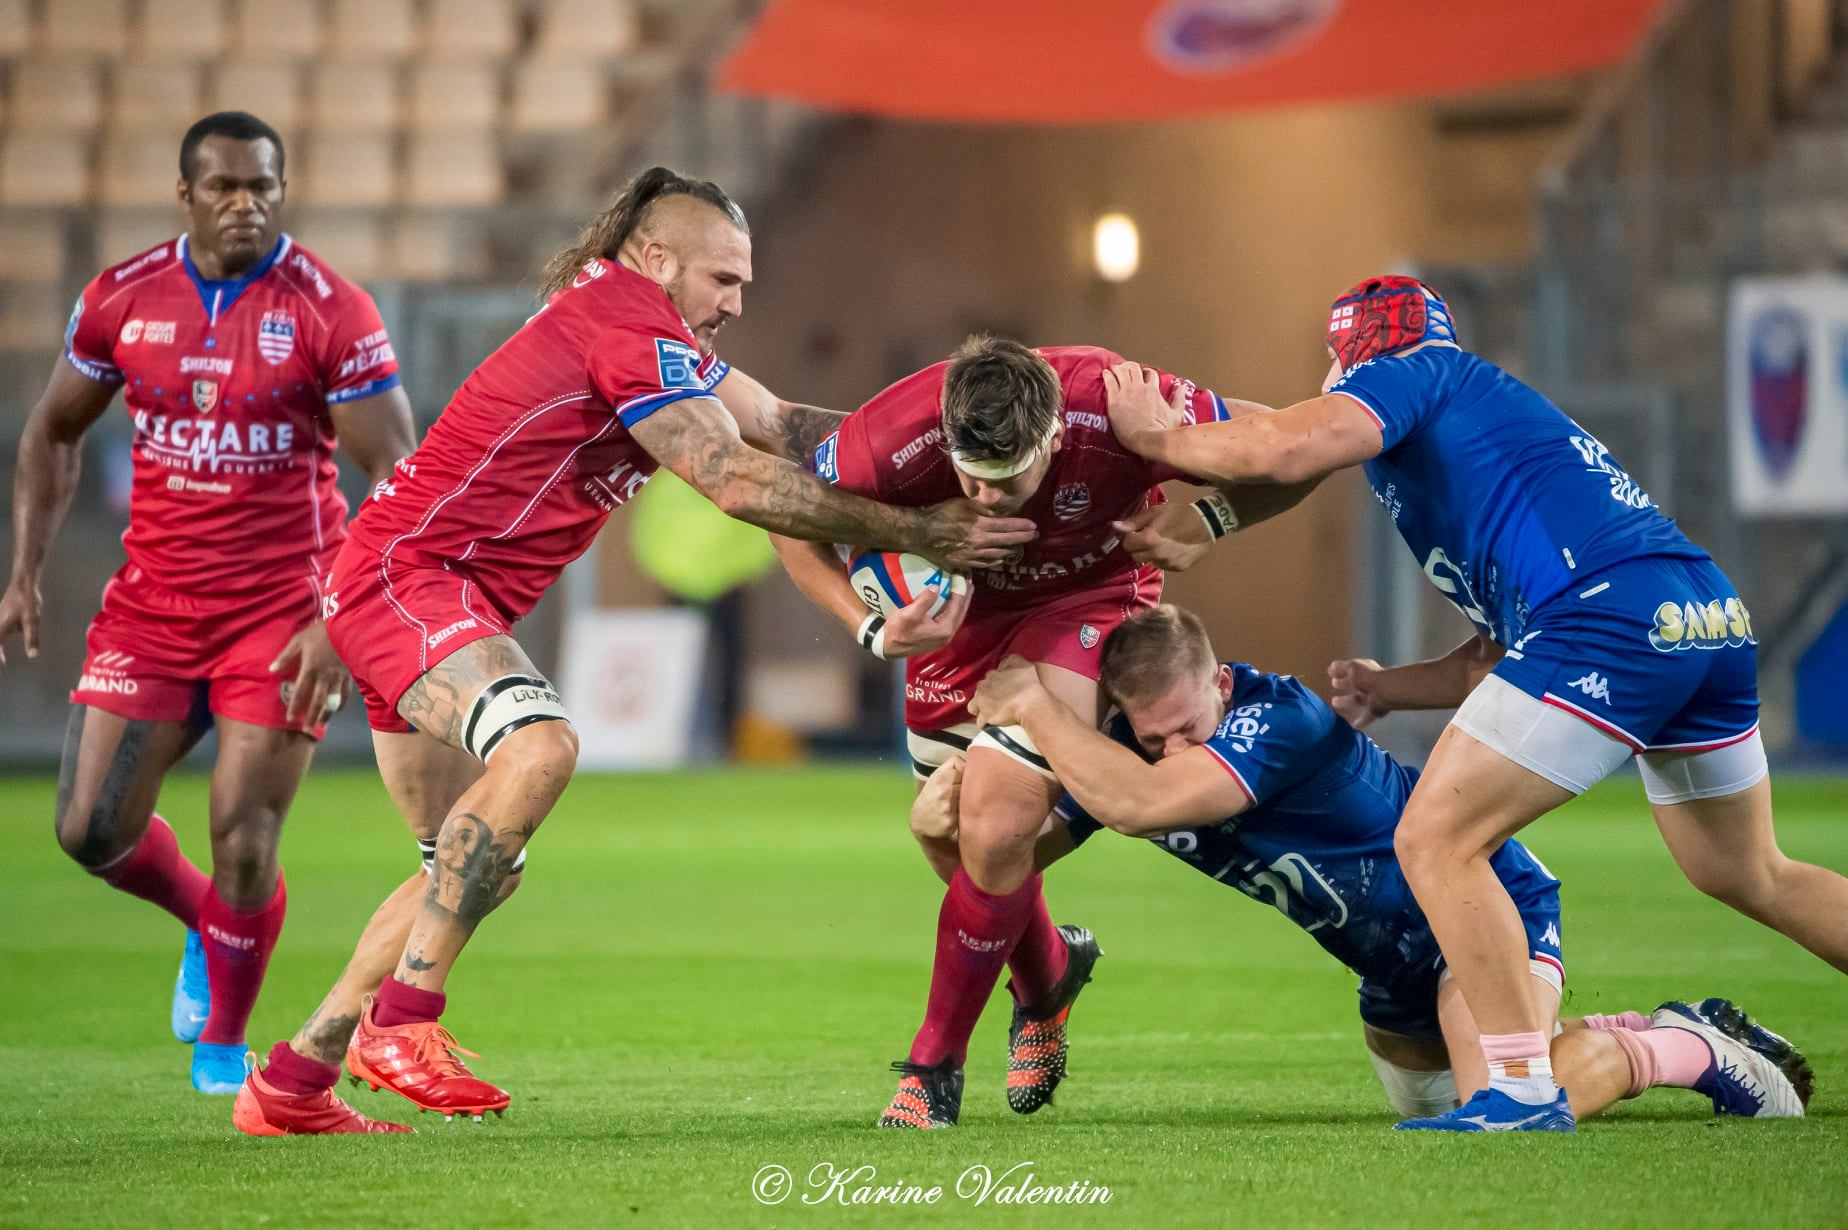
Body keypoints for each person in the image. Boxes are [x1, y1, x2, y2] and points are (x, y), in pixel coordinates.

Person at [233, 167, 1037, 1136]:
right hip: (412, 583)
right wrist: (922, 535)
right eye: (723, 280)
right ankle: (402, 1023)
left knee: (474, 859)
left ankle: (293, 1080)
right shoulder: (626, 328)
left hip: (421, 591)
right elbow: (735, 481)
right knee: (542, 749)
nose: (738, 303)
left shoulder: (645, 327)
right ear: (656, 261)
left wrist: (936, 447)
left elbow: (785, 427)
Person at [1101, 275, 1848, 1131]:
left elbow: (1282, 450)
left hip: (1610, 615)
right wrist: (1391, 687)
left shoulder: (1408, 374)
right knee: (1748, 871)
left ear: (1346, 358)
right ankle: (1621, 1059)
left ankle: (1525, 1091)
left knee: (1435, 835)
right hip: (1699, 612)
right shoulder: (1475, 426)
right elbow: (1499, 656)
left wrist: (1159, 437)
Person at [960, 604, 1811, 1127]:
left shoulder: (1278, 720)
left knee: (1515, 1105)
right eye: (1154, 740)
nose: (1176, 749)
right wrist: (956, 820)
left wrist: (1034, 703)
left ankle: (1689, 1052)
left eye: (1191, 726)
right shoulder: (1124, 757)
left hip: (1476, 909)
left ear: (1221, 682)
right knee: (1436, 1108)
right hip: (1388, 973)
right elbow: (1013, 857)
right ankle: (1640, 1025)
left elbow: (1138, 805)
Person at [774, 335, 1294, 1128]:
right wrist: (872, 629)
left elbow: (1289, 446)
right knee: (948, 836)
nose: (984, 499)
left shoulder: (1114, 403)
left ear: (1054, 436)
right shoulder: (895, 433)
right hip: (960, 624)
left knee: (998, 817)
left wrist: (1214, 515)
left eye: (1006, 480)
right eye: (970, 479)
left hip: (1087, 605)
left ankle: (932, 1071)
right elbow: (785, 514)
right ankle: (1049, 978)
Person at [0, 111, 416, 1094]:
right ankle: (203, 922)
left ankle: (226, 1046)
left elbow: (396, 467)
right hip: (153, 604)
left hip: (282, 612)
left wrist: (338, 616)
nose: (247, 204)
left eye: (264, 187)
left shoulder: (330, 309)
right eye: (226, 187)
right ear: (186, 193)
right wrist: (24, 570)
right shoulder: (120, 298)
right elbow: (54, 430)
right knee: (87, 832)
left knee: (245, 833)